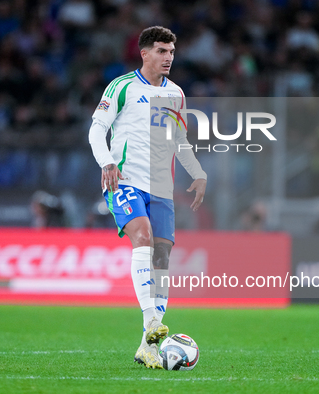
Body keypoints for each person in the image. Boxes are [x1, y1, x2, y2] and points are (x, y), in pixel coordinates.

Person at [88, 26, 207, 369]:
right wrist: (107, 161)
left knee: (163, 255)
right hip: (123, 180)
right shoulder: (122, 87)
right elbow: (97, 128)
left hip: (161, 187)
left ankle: (147, 346)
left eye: (171, 51)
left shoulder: (177, 94)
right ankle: (153, 321)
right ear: (144, 54)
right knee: (143, 237)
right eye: (161, 51)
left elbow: (179, 141)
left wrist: (197, 172)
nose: (168, 57)